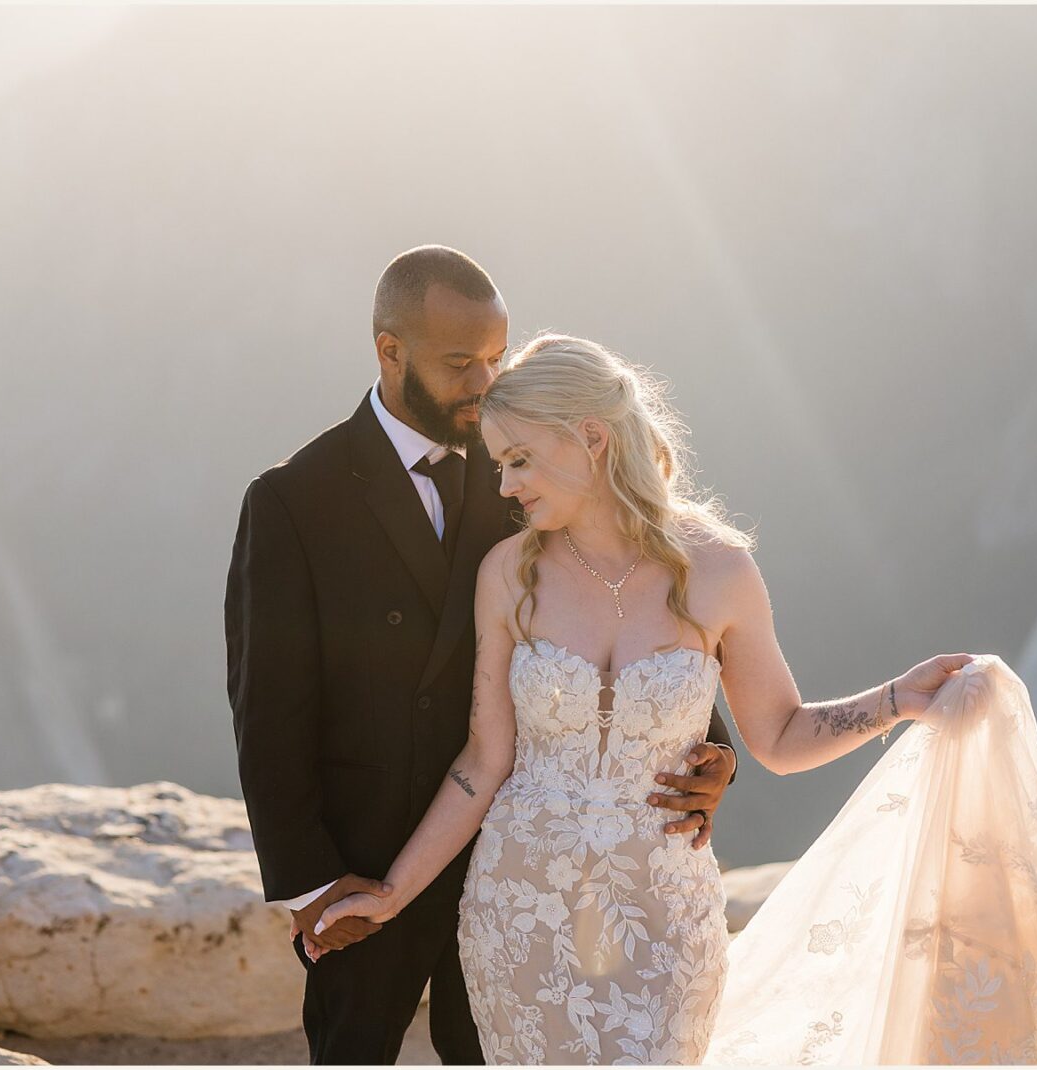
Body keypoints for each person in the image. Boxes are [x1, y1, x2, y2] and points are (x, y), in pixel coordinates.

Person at [314, 333, 983, 1063]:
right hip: (520, 912)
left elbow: (781, 736)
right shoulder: (508, 573)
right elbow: (483, 761)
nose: (504, 486)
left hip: (666, 919)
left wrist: (899, 700)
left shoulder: (721, 571)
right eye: (500, 464)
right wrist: (392, 892)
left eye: (520, 460)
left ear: (591, 439)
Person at [224, 249, 740, 1065]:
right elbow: (269, 707)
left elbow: (624, 601)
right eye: (460, 363)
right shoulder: (293, 499)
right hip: (370, 862)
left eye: (497, 358)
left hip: (520, 871)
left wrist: (709, 748)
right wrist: (313, 884)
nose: (485, 383)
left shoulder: (531, 476)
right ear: (390, 353)